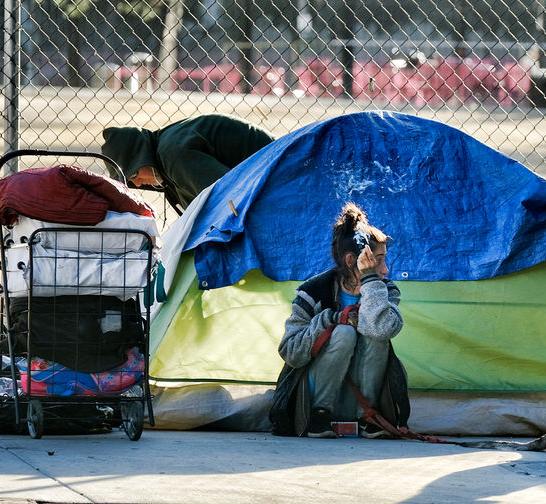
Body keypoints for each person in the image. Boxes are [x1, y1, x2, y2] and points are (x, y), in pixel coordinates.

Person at [269, 203, 409, 438]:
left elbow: (383, 328)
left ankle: (368, 418)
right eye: (378, 261)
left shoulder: (384, 288)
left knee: (376, 336)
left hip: (360, 401)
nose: (385, 270)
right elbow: (290, 352)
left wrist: (371, 280)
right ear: (351, 260)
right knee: (344, 333)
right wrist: (330, 320)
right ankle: (319, 415)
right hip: (311, 402)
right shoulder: (314, 291)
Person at [100, 114, 275, 213]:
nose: (136, 183)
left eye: (133, 175)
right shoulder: (164, 153)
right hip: (266, 175)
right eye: (130, 182)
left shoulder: (173, 155)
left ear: (141, 157)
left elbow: (229, 196)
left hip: (279, 168)